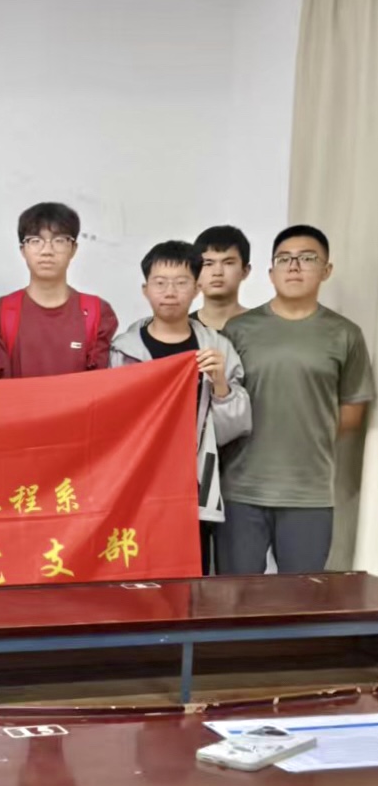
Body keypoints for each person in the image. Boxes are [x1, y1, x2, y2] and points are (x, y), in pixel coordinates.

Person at [216, 225, 374, 575]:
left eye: (307, 258)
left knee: (302, 596)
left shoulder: (345, 334)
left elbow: (352, 411)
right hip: (241, 489)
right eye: (284, 259)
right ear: (271, 272)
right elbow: (221, 403)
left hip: (309, 493)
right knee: (233, 595)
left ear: (326, 270)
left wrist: (305, 436)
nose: (294, 266)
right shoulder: (239, 330)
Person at [109, 241, 251, 575]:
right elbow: (110, 425)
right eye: (160, 282)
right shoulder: (123, 351)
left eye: (181, 282)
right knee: (134, 573)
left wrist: (220, 385)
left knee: (190, 580)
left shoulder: (216, 348)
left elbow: (233, 429)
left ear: (197, 287)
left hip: (193, 486)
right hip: (136, 484)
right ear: (145, 289)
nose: (170, 292)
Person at [0, 202, 117, 378]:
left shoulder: (97, 313)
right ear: (23, 250)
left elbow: (100, 387)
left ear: (73, 249)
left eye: (59, 240)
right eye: (35, 241)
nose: (47, 251)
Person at [191, 225, 251, 331]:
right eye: (208, 264)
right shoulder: (179, 330)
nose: (217, 272)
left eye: (228, 263)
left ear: (245, 271)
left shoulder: (266, 328)